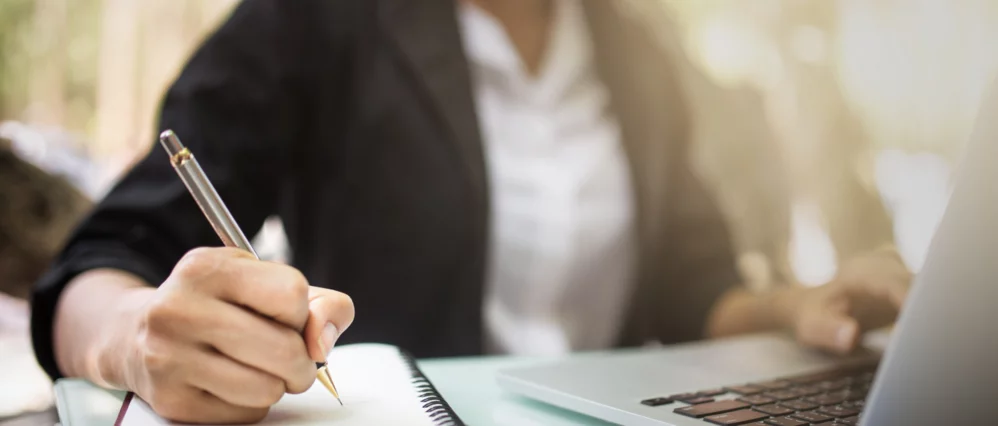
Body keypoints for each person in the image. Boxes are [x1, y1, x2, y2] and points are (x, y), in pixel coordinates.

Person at [31, 0, 911, 423]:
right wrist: (137, 337)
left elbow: (694, 285)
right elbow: (103, 262)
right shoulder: (316, 22)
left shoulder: (638, 51)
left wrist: (797, 309)